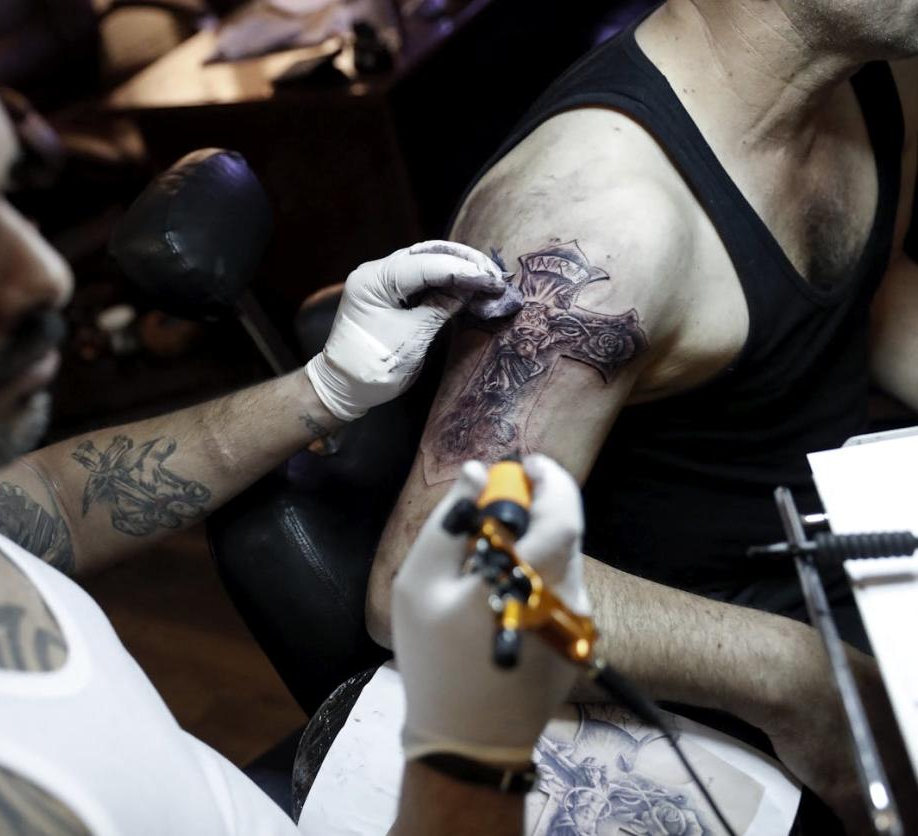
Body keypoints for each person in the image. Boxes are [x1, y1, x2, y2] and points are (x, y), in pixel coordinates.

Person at [0, 2, 587, 833]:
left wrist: (328, 389)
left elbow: (43, 503)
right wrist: (471, 744)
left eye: (7, 195)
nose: (43, 275)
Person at [365, 0, 918, 827]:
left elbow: (860, 305)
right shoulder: (605, 219)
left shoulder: (869, 85)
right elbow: (437, 576)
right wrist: (796, 678)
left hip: (841, 552)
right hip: (701, 673)